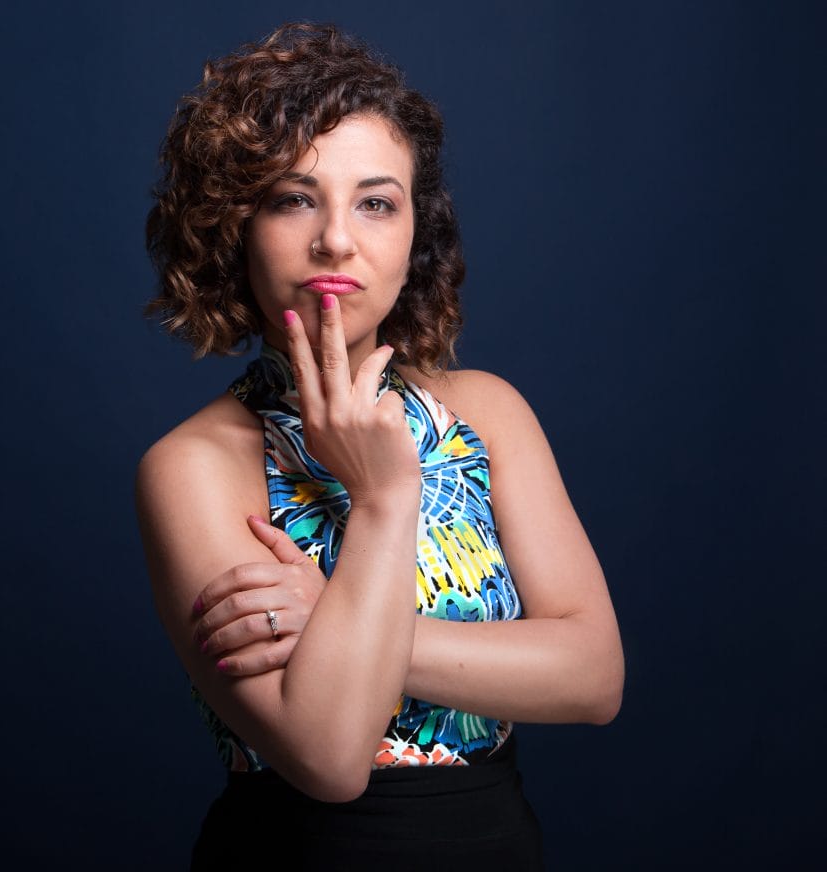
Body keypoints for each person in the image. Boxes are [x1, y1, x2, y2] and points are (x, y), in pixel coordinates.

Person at [135, 21, 623, 870]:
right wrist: (386, 497)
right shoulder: (196, 466)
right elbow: (326, 754)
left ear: (412, 238)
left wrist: (330, 615)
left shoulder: (486, 414)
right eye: (293, 197)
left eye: (375, 201)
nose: (335, 240)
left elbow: (593, 677)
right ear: (234, 228)